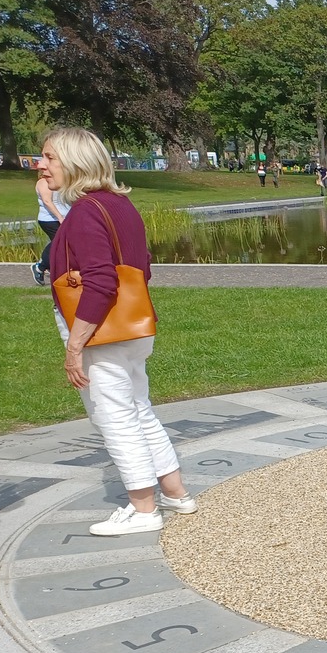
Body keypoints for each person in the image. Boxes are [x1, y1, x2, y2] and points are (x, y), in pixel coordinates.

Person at [43, 127, 196, 536]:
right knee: (138, 407)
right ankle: (175, 492)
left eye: (49, 157)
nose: (41, 166)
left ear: (74, 161)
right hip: (133, 324)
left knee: (114, 417)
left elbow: (100, 282)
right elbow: (141, 264)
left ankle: (143, 509)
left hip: (101, 330)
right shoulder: (119, 205)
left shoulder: (86, 211)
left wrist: (75, 346)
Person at [31, 159, 69, 286]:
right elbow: (47, 201)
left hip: (64, 218)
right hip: (50, 219)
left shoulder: (58, 182)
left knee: (63, 244)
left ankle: (54, 267)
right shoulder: (43, 182)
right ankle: (40, 266)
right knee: (59, 242)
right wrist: (60, 217)